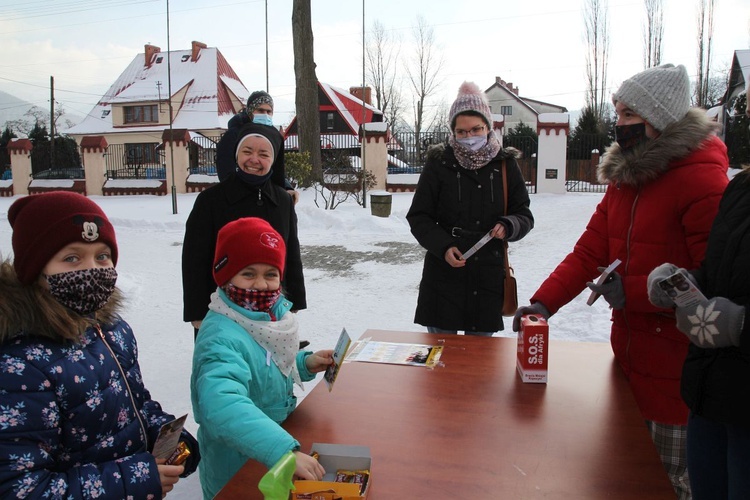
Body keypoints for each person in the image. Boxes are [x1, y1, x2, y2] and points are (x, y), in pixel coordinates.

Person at [513, 64, 729, 499]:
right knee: (619, 480)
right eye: (618, 111)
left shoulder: (702, 179)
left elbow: (717, 283)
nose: (619, 123)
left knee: (666, 486)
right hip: (627, 367)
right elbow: (589, 253)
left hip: (676, 381)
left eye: (630, 113)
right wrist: (544, 304)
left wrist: (632, 292)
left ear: (660, 118)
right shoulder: (624, 180)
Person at [0, 191, 200, 498]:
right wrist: (137, 479)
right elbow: (22, 489)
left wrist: (166, 434)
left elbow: (134, 406)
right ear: (34, 269)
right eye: (71, 258)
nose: (91, 269)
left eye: (102, 256)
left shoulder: (111, 330)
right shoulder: (19, 365)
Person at [190, 217, 332, 499]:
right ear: (225, 276)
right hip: (237, 468)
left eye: (270, 274)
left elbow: (265, 362)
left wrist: (304, 363)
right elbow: (222, 404)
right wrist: (281, 451)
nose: (261, 285)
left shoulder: (268, 317)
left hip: (269, 457)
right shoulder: (221, 334)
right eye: (248, 273)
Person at [647, 167, 750, 498]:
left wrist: (742, 324)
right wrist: (686, 284)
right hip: (712, 394)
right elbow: (719, 271)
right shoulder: (741, 188)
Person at [406, 81, 534, 335]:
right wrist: (443, 247)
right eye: (461, 132)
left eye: (476, 129)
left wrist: (509, 225)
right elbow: (419, 216)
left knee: (480, 363)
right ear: (452, 132)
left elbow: (524, 215)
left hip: (487, 276)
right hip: (443, 276)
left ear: (488, 127)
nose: (469, 137)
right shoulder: (438, 163)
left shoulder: (505, 165)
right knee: (441, 359)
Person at [183, 122, 307, 337]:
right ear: (236, 154)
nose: (254, 159)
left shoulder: (282, 201)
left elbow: (291, 252)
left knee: (268, 364)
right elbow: (195, 259)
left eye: (263, 154)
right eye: (247, 151)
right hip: (221, 309)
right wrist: (197, 312)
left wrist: (294, 299)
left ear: (274, 159)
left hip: (271, 305)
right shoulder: (210, 200)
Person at [216, 90, 298, 203]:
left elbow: (276, 170)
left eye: (269, 111)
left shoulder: (274, 136)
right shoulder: (234, 135)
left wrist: (286, 188)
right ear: (250, 111)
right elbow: (226, 170)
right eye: (260, 110)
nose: (265, 114)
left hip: (266, 198)